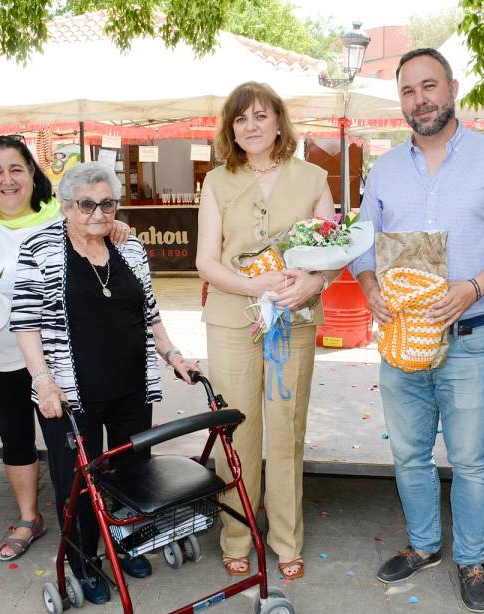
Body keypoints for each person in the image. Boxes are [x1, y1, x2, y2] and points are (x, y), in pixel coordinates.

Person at [348, 48, 484, 612]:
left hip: (471, 336)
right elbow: (360, 240)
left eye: (429, 86)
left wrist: (474, 287)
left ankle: (471, 559)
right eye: (408, 91)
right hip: (401, 338)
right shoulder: (383, 168)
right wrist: (370, 284)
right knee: (409, 456)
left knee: (472, 458)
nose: (419, 99)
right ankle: (424, 545)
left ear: (451, 88)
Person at [11, 162, 200, 604]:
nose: (97, 213)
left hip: (132, 384)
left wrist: (172, 355)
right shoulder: (38, 248)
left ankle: (126, 541)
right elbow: (24, 323)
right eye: (86, 204)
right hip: (71, 391)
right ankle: (85, 561)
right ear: (66, 205)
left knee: (132, 471)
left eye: (107, 204)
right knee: (79, 479)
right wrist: (43, 381)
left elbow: (149, 313)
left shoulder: (129, 247)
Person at [0, 136, 130, 562]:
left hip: (62, 358)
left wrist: (117, 226)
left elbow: (104, 230)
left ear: (33, 173)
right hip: (2, 353)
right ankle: (30, 517)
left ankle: (97, 517)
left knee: (74, 446)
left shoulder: (66, 212)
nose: (7, 180)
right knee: (16, 437)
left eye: (17, 169)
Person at [196, 81, 341, 581]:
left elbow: (333, 253)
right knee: (237, 430)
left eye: (260, 116)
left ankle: (286, 538)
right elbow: (205, 261)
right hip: (233, 317)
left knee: (286, 430)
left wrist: (313, 282)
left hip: (294, 318)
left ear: (278, 121)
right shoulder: (216, 181)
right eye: (240, 119)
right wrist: (252, 284)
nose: (251, 126)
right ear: (230, 129)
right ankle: (237, 533)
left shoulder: (313, 177)